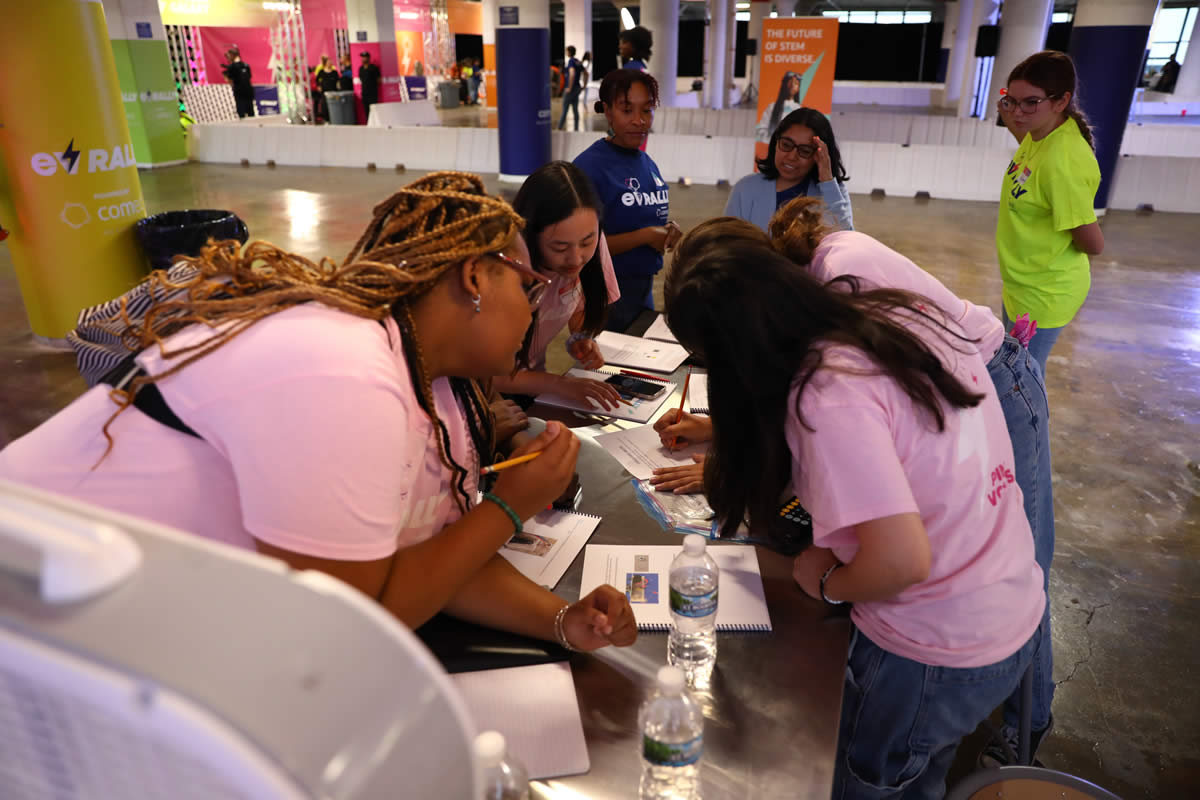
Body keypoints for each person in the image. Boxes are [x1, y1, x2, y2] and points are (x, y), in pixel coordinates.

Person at [0, 172, 638, 654]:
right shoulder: (344, 366)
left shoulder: (436, 384)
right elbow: (348, 625)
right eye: (525, 287)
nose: (534, 312)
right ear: (475, 277)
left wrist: (561, 622)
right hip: (38, 605)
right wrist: (508, 506)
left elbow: (436, 561)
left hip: (122, 616)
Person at [661, 233, 1045, 799]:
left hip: (931, 651)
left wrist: (826, 579)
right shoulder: (887, 313)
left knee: (875, 786)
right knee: (923, 778)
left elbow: (901, 560)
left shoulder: (825, 393)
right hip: (1008, 608)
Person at [995, 50, 1103, 372]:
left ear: (1060, 101)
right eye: (1010, 101)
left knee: (1019, 383)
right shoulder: (1042, 133)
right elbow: (1026, 141)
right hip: (1021, 282)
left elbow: (1094, 244)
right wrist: (1014, 108)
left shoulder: (1062, 162)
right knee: (1011, 372)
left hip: (1043, 294)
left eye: (1030, 102)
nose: (1017, 112)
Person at [492, 162, 624, 411]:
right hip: (487, 397)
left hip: (530, 384)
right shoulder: (505, 268)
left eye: (587, 242)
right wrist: (561, 385)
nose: (576, 259)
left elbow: (577, 304)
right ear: (529, 235)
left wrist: (580, 337)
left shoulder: (588, 239)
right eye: (559, 248)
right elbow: (488, 372)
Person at [574, 70, 681, 332]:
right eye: (627, 110)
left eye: (646, 110)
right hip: (604, 297)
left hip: (642, 292)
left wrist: (667, 231)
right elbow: (578, 248)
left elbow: (638, 215)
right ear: (608, 112)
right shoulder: (589, 168)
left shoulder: (647, 163)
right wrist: (644, 236)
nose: (639, 120)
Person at [725, 107, 853, 233]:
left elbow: (845, 241)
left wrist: (827, 181)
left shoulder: (835, 193)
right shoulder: (746, 188)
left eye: (805, 151)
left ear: (819, 156)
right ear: (776, 143)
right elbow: (726, 243)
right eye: (786, 145)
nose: (792, 156)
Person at [755, 71, 801, 144]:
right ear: (784, 84)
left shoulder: (800, 110)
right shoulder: (772, 107)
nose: (792, 85)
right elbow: (761, 129)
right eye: (790, 82)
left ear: (798, 88)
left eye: (796, 83)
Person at [223, 46, 255, 119]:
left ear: (233, 55)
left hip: (240, 92)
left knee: (242, 113)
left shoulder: (232, 67)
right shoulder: (246, 65)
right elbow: (249, 77)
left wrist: (226, 77)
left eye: (229, 55)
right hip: (248, 91)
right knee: (250, 112)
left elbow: (229, 79)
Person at [559, 46, 584, 131]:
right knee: (575, 109)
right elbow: (586, 73)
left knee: (565, 109)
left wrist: (569, 87)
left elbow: (572, 74)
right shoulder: (578, 61)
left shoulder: (571, 61)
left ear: (569, 52)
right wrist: (583, 86)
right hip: (577, 88)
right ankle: (576, 128)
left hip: (571, 89)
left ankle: (559, 128)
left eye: (566, 51)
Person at [360, 51, 382, 116]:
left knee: (374, 112)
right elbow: (361, 79)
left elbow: (378, 80)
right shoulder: (361, 69)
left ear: (368, 58)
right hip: (364, 94)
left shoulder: (374, 68)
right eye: (362, 57)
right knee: (367, 112)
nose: (363, 59)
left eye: (365, 57)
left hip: (372, 95)